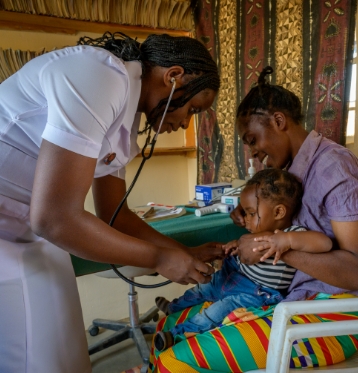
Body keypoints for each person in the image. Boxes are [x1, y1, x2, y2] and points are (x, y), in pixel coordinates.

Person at [0, 31, 223, 373]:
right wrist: (160, 257)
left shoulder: (124, 117)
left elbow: (115, 216)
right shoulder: (100, 75)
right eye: (193, 108)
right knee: (32, 355)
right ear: (174, 76)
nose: (184, 124)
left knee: (65, 350)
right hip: (22, 226)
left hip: (26, 226)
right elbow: (55, 219)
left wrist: (182, 254)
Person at [149, 66, 358, 372]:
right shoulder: (290, 173)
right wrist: (252, 219)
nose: (253, 154)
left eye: (252, 139)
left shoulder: (333, 168)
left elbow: (354, 271)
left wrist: (268, 245)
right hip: (294, 300)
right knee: (169, 324)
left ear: (278, 121)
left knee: (176, 360)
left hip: (333, 315)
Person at [153, 168, 332, 351]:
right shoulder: (255, 232)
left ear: (278, 212)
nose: (245, 219)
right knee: (202, 289)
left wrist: (286, 241)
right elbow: (247, 250)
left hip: (257, 292)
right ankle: (174, 307)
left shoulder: (292, 233)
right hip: (234, 276)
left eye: (251, 213)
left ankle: (177, 335)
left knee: (218, 310)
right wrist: (234, 247)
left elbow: (324, 243)